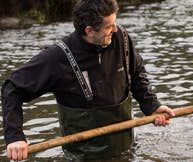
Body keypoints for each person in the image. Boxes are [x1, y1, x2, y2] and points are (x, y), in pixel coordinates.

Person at [1, 0, 175, 161]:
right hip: (82, 156)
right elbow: (12, 89)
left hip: (125, 150)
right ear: (89, 30)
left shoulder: (121, 38)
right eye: (109, 27)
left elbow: (136, 75)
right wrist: (15, 137)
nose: (115, 30)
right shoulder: (57, 57)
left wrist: (152, 106)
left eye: (115, 23)